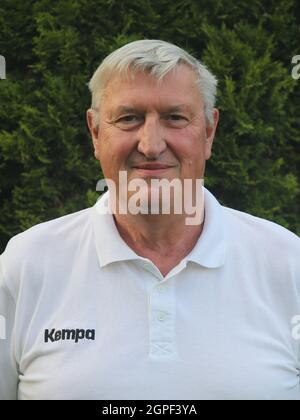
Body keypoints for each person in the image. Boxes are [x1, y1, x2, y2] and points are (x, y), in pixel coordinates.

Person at [0, 39, 299, 400]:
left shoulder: (287, 262)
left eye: (175, 117)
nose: (151, 144)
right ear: (96, 133)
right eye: (129, 118)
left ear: (208, 132)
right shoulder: (26, 264)